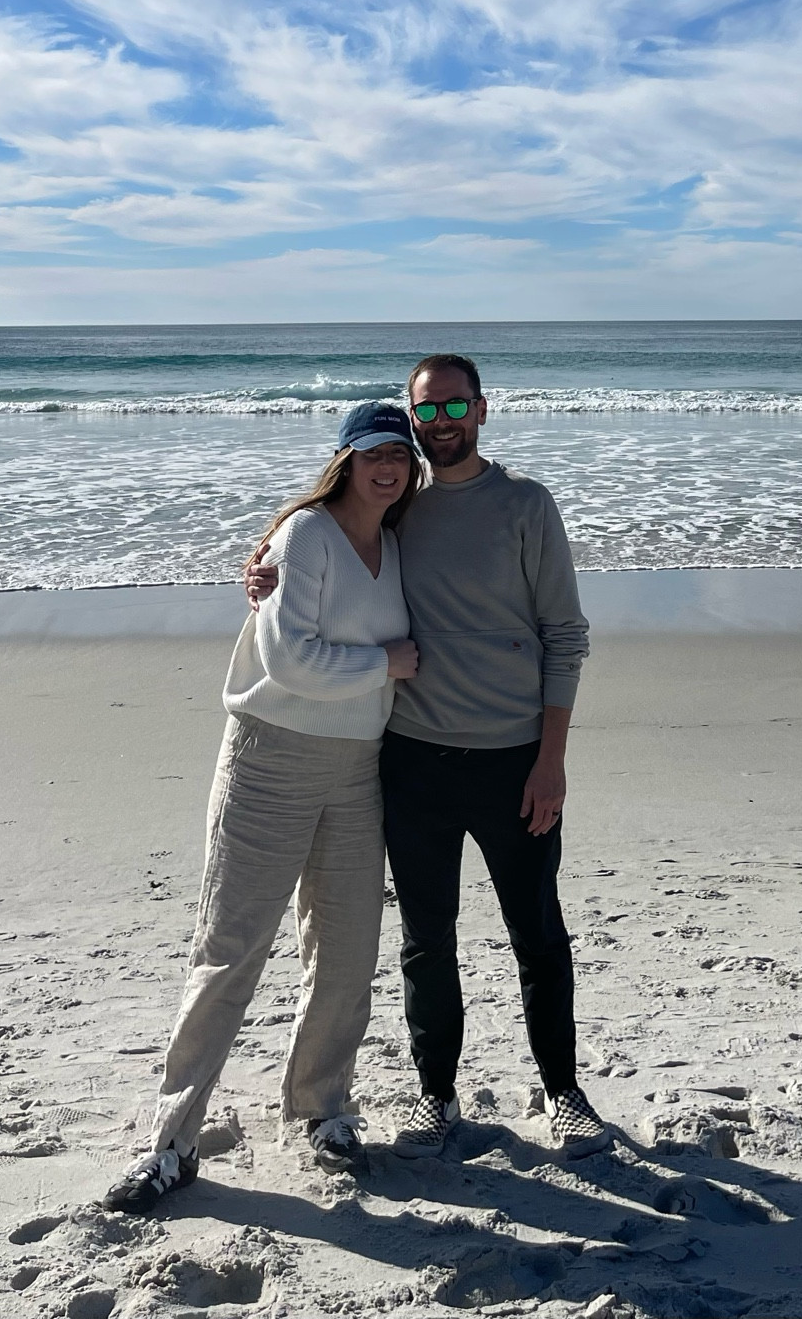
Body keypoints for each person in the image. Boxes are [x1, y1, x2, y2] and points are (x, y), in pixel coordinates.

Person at [247, 354, 608, 1161]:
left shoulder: (524, 505)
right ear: (412, 422)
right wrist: (263, 571)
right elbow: (323, 549)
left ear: (481, 411)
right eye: (427, 413)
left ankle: (564, 1093)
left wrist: (551, 760)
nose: (441, 425)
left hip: (514, 760)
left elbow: (565, 636)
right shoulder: (395, 508)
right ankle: (436, 1096)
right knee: (425, 940)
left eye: (455, 409)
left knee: (537, 933)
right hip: (411, 761)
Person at [103, 402, 423, 1215]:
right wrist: (387, 662)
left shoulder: (397, 541)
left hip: (357, 769)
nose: (387, 465)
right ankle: (170, 1144)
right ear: (345, 459)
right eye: (372, 452)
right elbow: (287, 660)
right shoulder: (304, 536)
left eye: (400, 452)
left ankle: (322, 1109)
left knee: (347, 954)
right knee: (231, 952)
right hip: (269, 756)